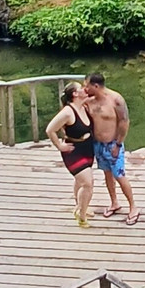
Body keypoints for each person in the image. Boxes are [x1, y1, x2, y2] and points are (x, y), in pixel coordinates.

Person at [84, 72, 140, 225]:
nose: (85, 89)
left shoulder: (116, 100)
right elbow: (70, 106)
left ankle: (133, 207)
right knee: (107, 174)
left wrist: (118, 144)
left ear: (96, 86)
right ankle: (114, 202)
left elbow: (124, 122)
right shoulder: (88, 101)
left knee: (119, 175)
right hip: (98, 144)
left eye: (87, 86)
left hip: (113, 144)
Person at [45, 81, 95, 227]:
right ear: (75, 94)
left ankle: (79, 205)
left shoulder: (84, 106)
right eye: (81, 88)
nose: (85, 90)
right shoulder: (68, 112)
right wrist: (60, 146)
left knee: (80, 181)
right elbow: (50, 130)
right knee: (87, 183)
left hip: (87, 147)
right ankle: (82, 216)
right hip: (73, 150)